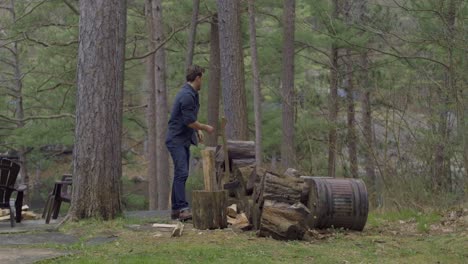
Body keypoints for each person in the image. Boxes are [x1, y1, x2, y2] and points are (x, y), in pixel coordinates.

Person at [166, 65, 214, 221]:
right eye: (202, 79)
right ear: (198, 78)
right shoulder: (186, 95)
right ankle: (182, 209)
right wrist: (204, 127)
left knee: (180, 174)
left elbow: (189, 118)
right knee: (182, 173)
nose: (203, 82)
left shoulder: (191, 94)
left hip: (182, 139)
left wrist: (197, 130)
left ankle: (175, 209)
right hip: (176, 140)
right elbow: (188, 120)